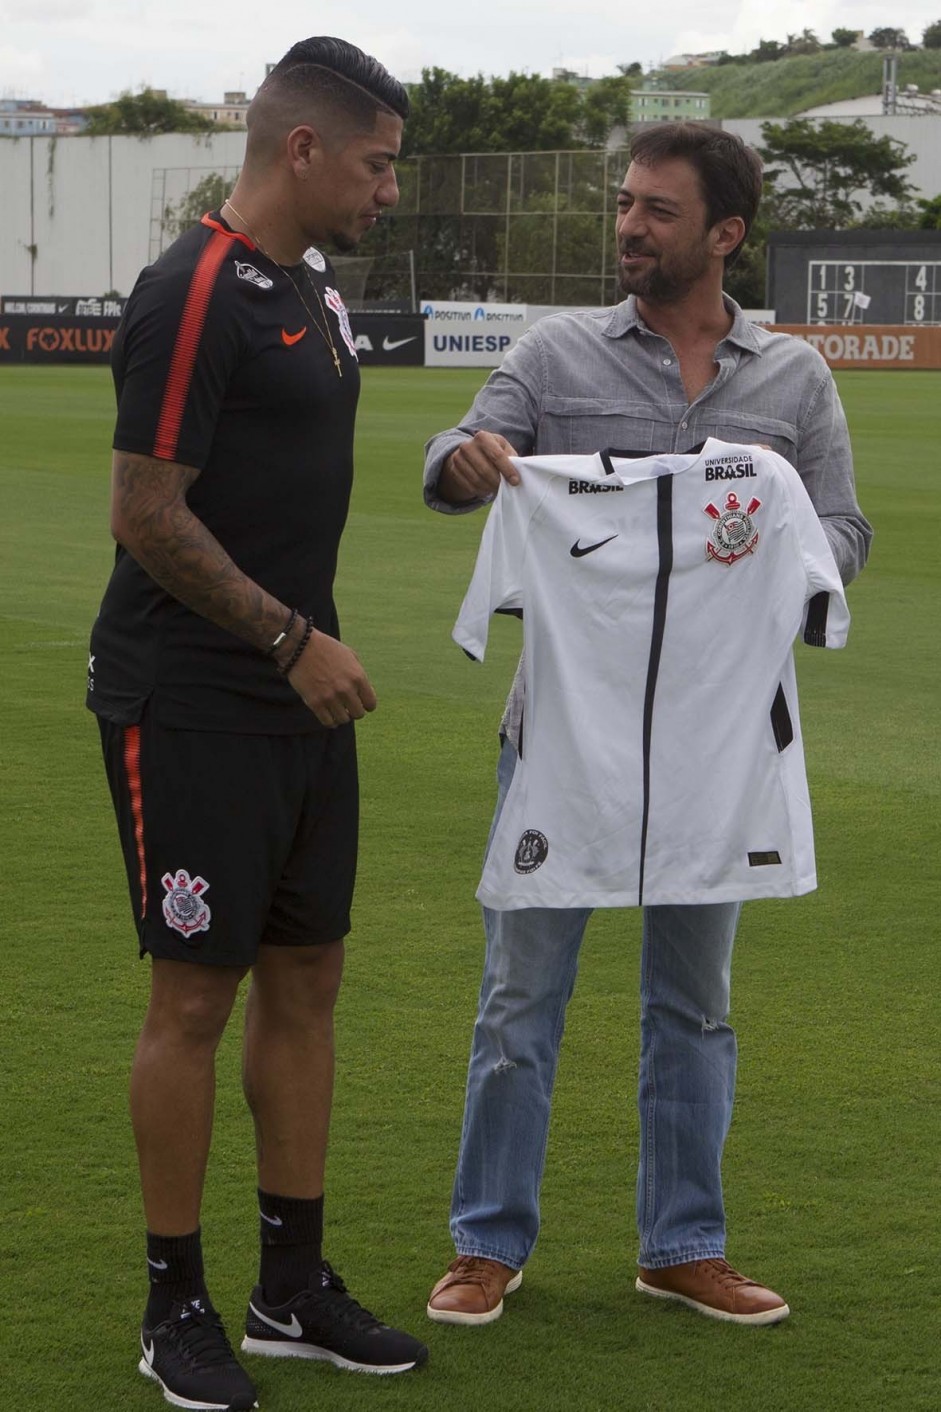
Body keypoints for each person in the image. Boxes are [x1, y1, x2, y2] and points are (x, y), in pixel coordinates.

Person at [423, 122, 872, 1329]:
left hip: (716, 748)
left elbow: (843, 531)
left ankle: (682, 1241)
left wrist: (757, 552)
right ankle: (485, 1242)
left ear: (724, 234)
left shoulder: (792, 381)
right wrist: (467, 464)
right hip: (561, 733)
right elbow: (463, 445)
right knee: (519, 997)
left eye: (656, 211)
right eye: (623, 204)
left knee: (694, 1001)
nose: (627, 226)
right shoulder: (554, 352)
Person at [87, 37, 427, 1412]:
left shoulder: (313, 288)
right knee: (192, 1000)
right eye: (377, 162)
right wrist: (290, 641)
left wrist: (304, 659)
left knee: (308, 982)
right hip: (194, 705)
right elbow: (145, 512)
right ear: (303, 149)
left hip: (297, 708)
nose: (388, 190)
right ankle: (177, 1306)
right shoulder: (196, 290)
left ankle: (293, 1286)